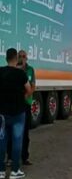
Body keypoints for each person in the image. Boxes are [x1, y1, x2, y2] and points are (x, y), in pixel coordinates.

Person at [0, 48, 32, 179]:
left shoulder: (0, 71)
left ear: (6, 58)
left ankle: (1, 171)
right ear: (16, 58)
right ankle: (15, 171)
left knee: (2, 141)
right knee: (17, 141)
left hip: (2, 114)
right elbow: (29, 90)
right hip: (18, 113)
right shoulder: (21, 74)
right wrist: (22, 97)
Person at [7, 50, 35, 166]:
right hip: (14, 105)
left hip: (25, 104)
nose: (22, 58)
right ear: (16, 58)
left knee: (25, 133)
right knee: (11, 132)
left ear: (27, 58)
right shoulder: (14, 70)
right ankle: (10, 157)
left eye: (24, 57)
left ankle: (25, 157)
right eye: (20, 56)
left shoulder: (30, 70)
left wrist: (24, 97)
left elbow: (32, 86)